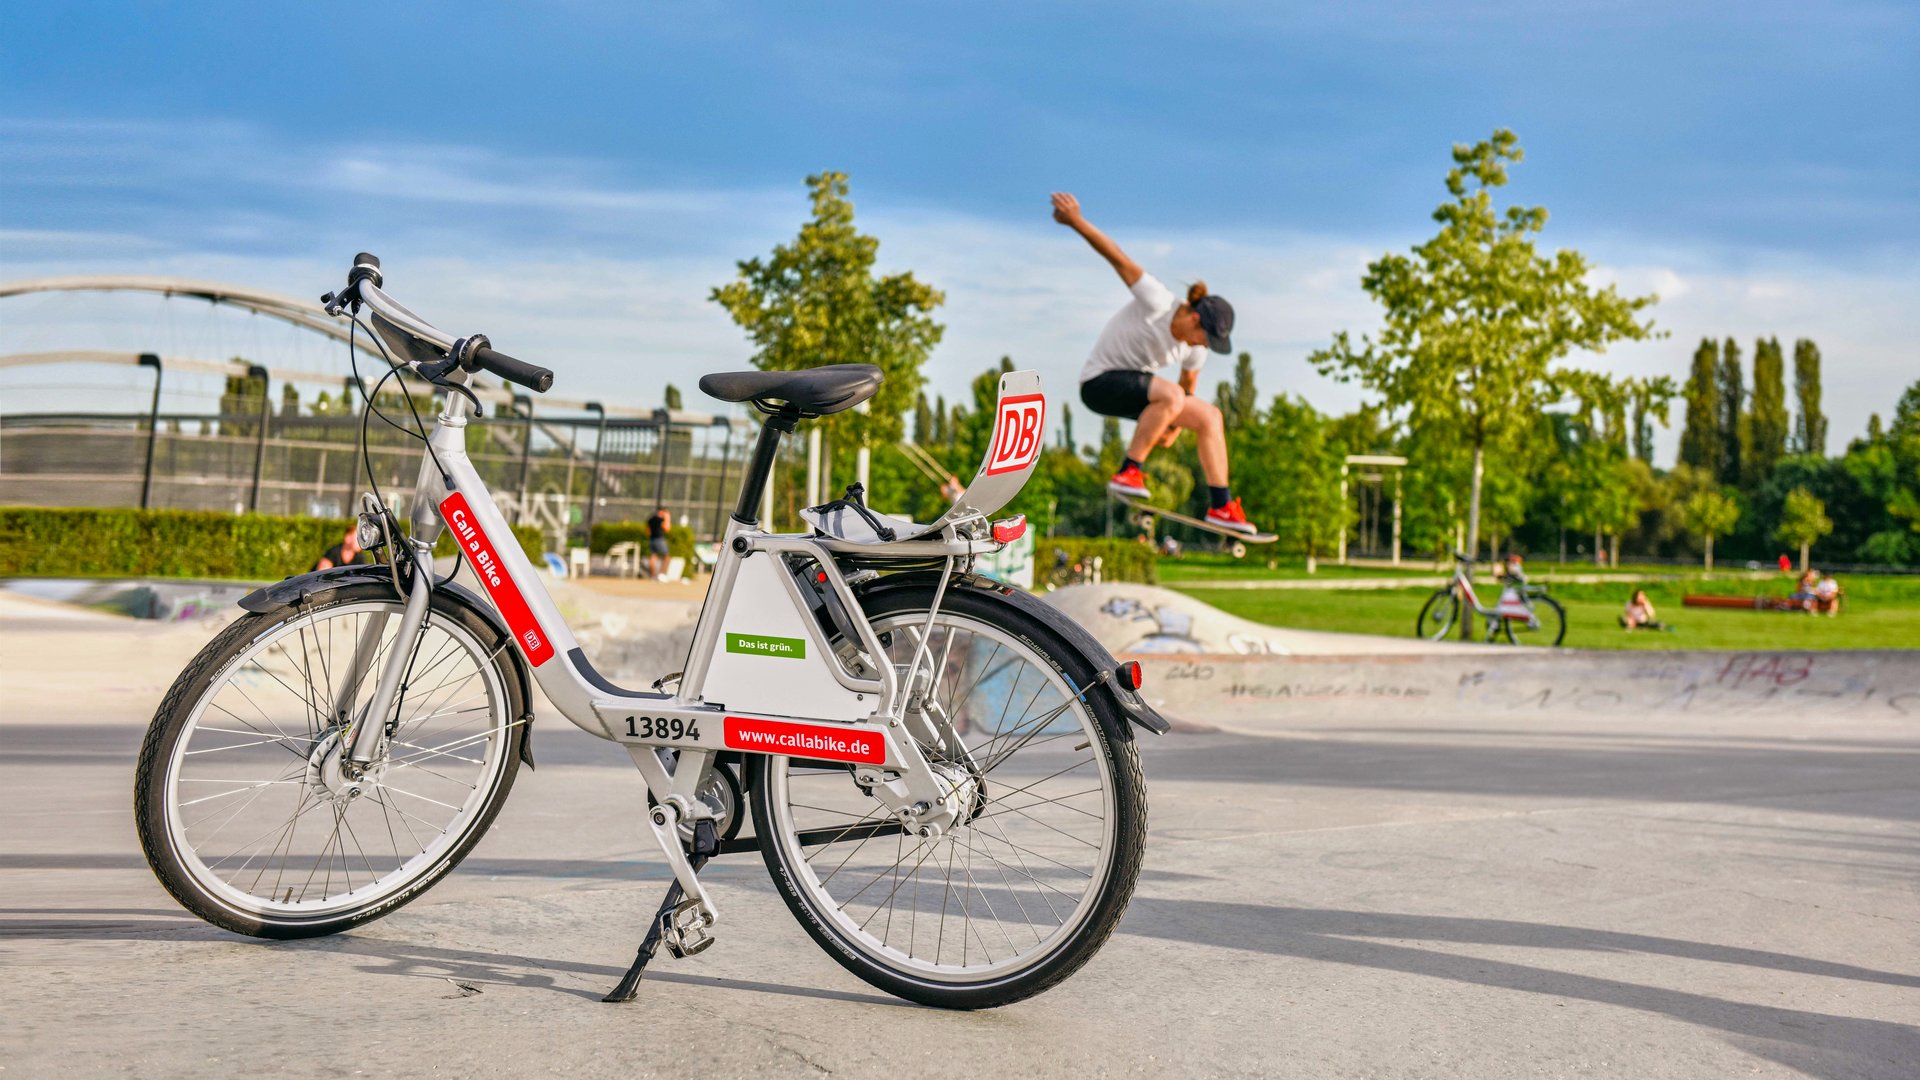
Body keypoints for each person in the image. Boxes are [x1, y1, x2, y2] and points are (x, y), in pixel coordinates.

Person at [1051, 192, 1260, 536]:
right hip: (1098, 384)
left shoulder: (1196, 350)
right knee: (1171, 396)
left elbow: (1188, 390)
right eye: (1203, 338)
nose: (1201, 346)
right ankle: (1129, 471)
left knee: (1210, 416)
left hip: (1141, 392)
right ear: (1193, 318)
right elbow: (1117, 258)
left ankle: (1221, 505)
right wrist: (1076, 221)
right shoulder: (1157, 301)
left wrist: (1173, 427)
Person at [646, 507, 672, 581]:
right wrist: (667, 518)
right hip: (659, 539)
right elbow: (667, 529)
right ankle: (662, 575)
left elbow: (648, 532)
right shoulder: (660, 519)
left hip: (652, 540)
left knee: (653, 556)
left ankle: (653, 576)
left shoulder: (651, 519)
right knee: (667, 557)